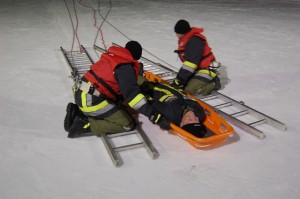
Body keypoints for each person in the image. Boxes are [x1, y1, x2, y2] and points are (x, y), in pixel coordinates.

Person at [64, 41, 170, 138]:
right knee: (127, 124)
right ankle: (84, 125)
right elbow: (133, 98)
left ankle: (80, 112)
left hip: (83, 93)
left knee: (120, 104)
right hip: (91, 101)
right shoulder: (125, 68)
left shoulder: (115, 58)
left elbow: (113, 85)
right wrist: (154, 116)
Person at [139, 78, 207, 138]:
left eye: (190, 120)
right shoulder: (199, 113)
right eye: (196, 119)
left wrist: (147, 88)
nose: (194, 116)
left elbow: (149, 103)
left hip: (151, 87)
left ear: (181, 124)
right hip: (170, 88)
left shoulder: (171, 114)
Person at [172, 19, 221, 96]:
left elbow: (190, 64)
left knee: (189, 90)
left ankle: (214, 83)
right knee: (183, 85)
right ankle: (196, 79)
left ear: (182, 32)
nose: (176, 35)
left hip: (206, 69)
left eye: (177, 33)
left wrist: (179, 80)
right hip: (197, 69)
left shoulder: (194, 41)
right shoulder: (187, 38)